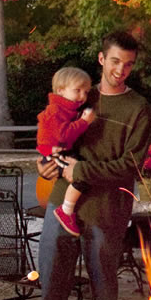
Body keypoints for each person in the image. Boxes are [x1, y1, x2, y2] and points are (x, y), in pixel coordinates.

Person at [36, 31, 151, 300]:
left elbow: (131, 164)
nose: (122, 70)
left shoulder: (137, 108)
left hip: (107, 211)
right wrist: (43, 163)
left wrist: (82, 172)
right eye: (116, 61)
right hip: (61, 207)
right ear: (102, 59)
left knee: (105, 293)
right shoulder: (78, 93)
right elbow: (51, 133)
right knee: (51, 294)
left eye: (129, 64)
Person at [37, 65, 99, 237]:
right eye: (78, 90)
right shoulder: (56, 110)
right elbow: (63, 135)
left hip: (61, 152)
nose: (82, 96)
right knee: (82, 176)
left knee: (82, 173)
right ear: (61, 90)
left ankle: (67, 209)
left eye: (86, 92)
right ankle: (66, 211)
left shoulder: (67, 109)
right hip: (55, 155)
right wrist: (85, 122)